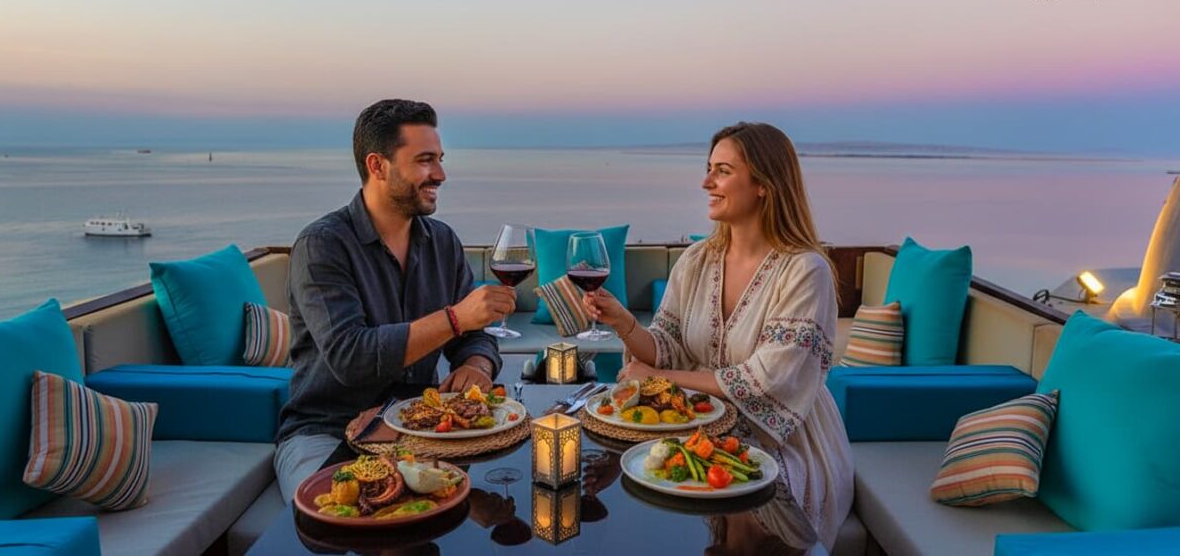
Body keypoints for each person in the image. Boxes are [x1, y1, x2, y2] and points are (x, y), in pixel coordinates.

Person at [583, 122, 853, 548]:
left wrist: (659, 378)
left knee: (742, 500)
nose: (706, 182)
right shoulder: (696, 260)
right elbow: (666, 347)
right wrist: (623, 322)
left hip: (783, 437)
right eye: (709, 168)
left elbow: (765, 382)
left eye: (722, 171)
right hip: (701, 424)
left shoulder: (805, 271)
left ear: (764, 184)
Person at [274, 99, 516, 502]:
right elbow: (351, 358)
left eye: (439, 159)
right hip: (327, 430)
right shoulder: (323, 246)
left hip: (418, 430)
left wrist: (477, 363)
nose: (440, 174)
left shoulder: (442, 242)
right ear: (377, 166)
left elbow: (476, 334)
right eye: (424, 161)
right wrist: (455, 318)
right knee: (347, 516)